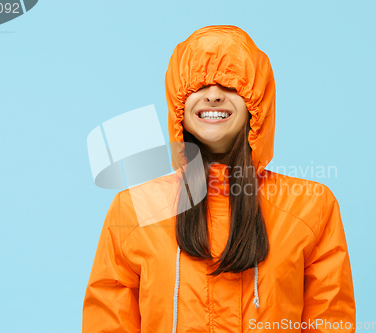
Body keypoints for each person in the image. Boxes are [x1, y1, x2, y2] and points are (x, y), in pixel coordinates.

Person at [82, 25, 356, 333]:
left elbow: (330, 321)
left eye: (230, 86)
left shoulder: (311, 205)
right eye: (198, 86)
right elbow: (108, 321)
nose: (213, 96)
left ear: (257, 104)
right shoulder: (135, 208)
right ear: (178, 106)